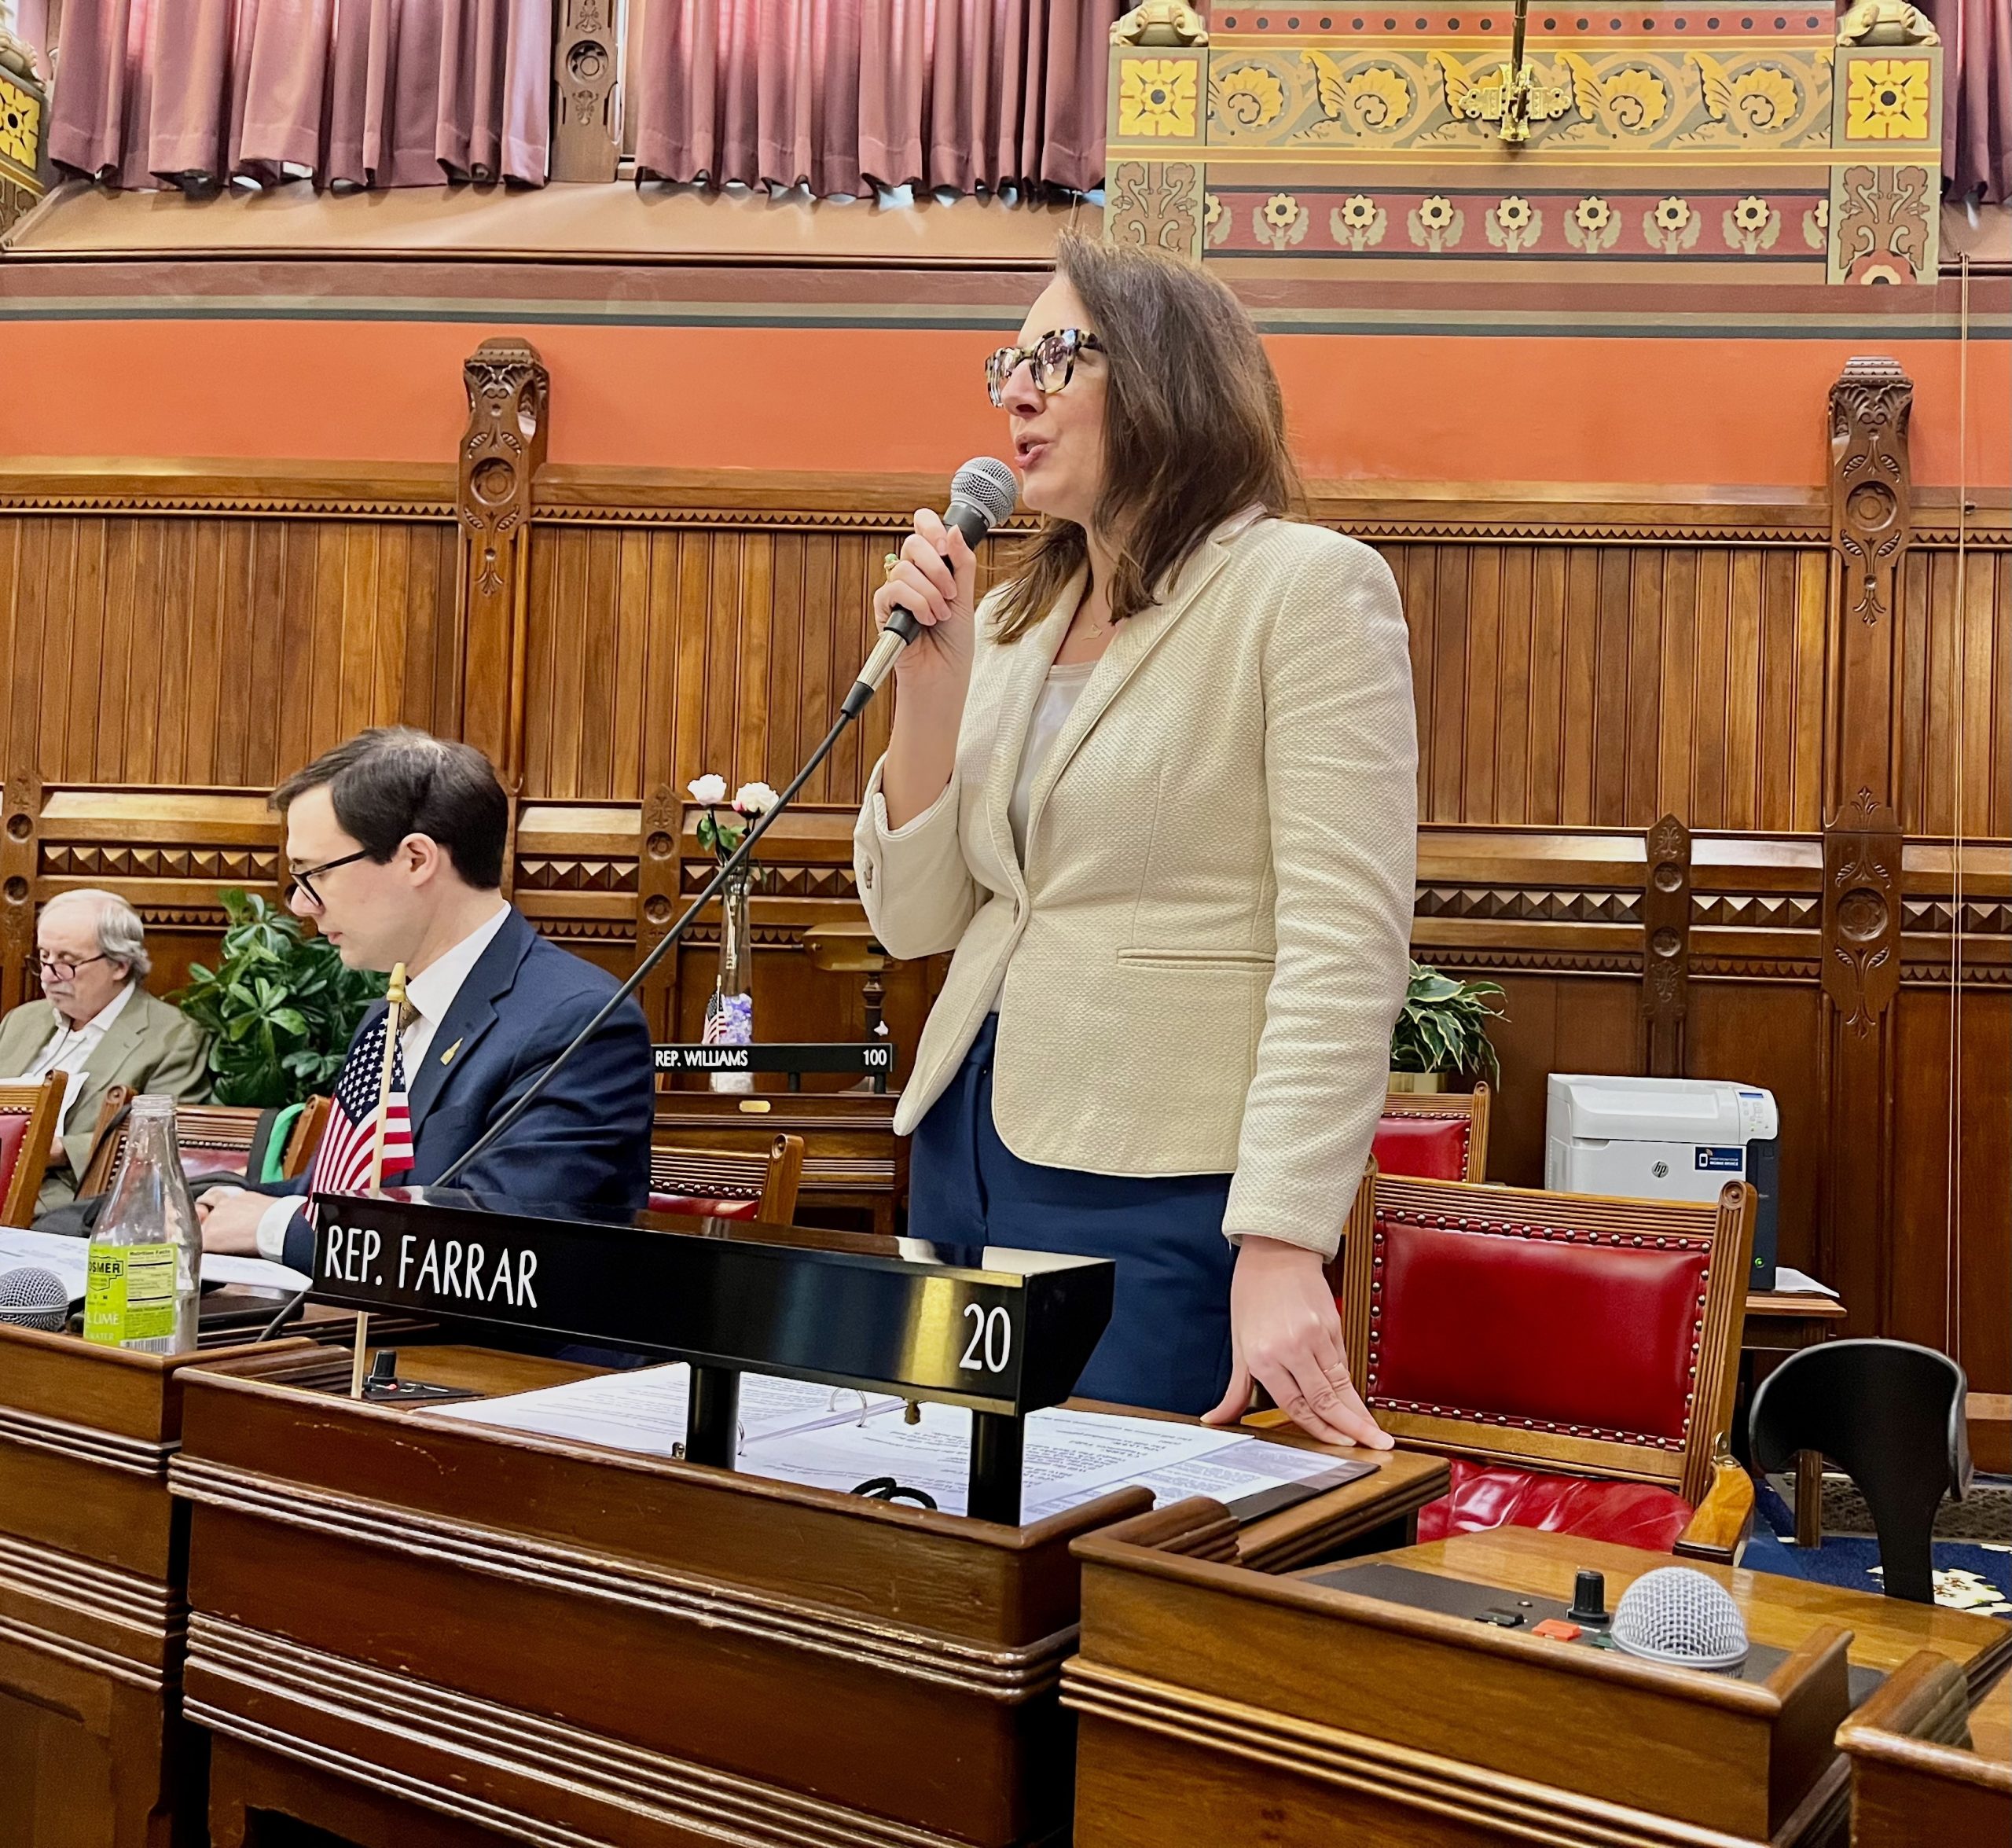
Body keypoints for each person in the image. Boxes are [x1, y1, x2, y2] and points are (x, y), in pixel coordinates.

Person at [854, 234, 1417, 1444]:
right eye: (1009, 359)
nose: (1017, 389)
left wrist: (1281, 1235)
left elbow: (1346, 944)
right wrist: (931, 692)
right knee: (955, 1512)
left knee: (1104, 1537)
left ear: (1170, 376)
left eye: (1058, 354)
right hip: (965, 1144)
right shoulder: (1008, 615)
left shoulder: (1306, 589)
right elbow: (914, 922)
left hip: (1160, 1180)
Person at [198, 727, 654, 1272]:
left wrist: (272, 1224)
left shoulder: (580, 1022)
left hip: (491, 1354)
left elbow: (494, 1244)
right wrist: (208, 1203)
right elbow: (339, 1187)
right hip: (354, 1335)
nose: (301, 905)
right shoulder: (387, 1013)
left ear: (416, 859)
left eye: (314, 874)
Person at [0, 888, 210, 1213]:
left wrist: (56, 1150)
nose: (48, 977)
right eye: (43, 957)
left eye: (67, 962)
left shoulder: (173, 1038)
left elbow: (166, 1141)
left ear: (120, 965)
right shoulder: (21, 1021)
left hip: (62, 1206)